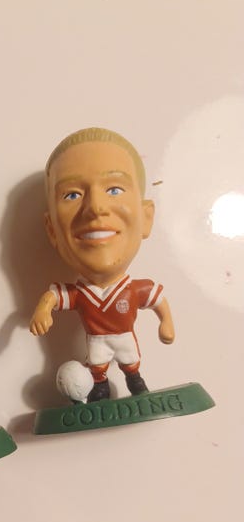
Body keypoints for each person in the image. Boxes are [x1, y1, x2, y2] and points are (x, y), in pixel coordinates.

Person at [30, 127, 175, 402]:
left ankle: (135, 382)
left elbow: (157, 300)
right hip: (96, 341)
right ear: (52, 231)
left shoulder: (133, 289)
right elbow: (54, 296)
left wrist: (166, 323)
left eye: (114, 189)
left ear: (146, 218)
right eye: (72, 195)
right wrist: (42, 309)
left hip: (123, 338)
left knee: (130, 361)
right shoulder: (81, 294)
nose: (95, 207)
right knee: (97, 364)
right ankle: (100, 388)